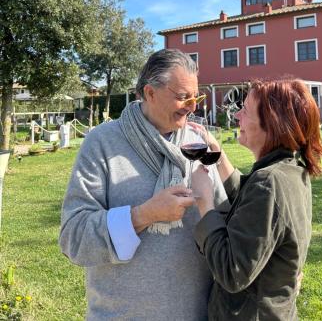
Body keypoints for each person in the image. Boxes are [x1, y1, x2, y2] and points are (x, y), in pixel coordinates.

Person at [59, 49, 228, 321]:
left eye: (196, 97)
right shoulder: (102, 143)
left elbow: (225, 221)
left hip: (197, 314)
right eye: (183, 97)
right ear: (150, 93)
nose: (193, 106)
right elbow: (73, 238)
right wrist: (144, 215)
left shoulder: (198, 142)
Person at [192, 78, 322, 320]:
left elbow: (232, 272)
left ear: (272, 124)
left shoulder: (269, 183)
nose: (237, 117)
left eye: (245, 110)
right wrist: (218, 155)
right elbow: (252, 209)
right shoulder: (291, 171)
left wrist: (205, 203)